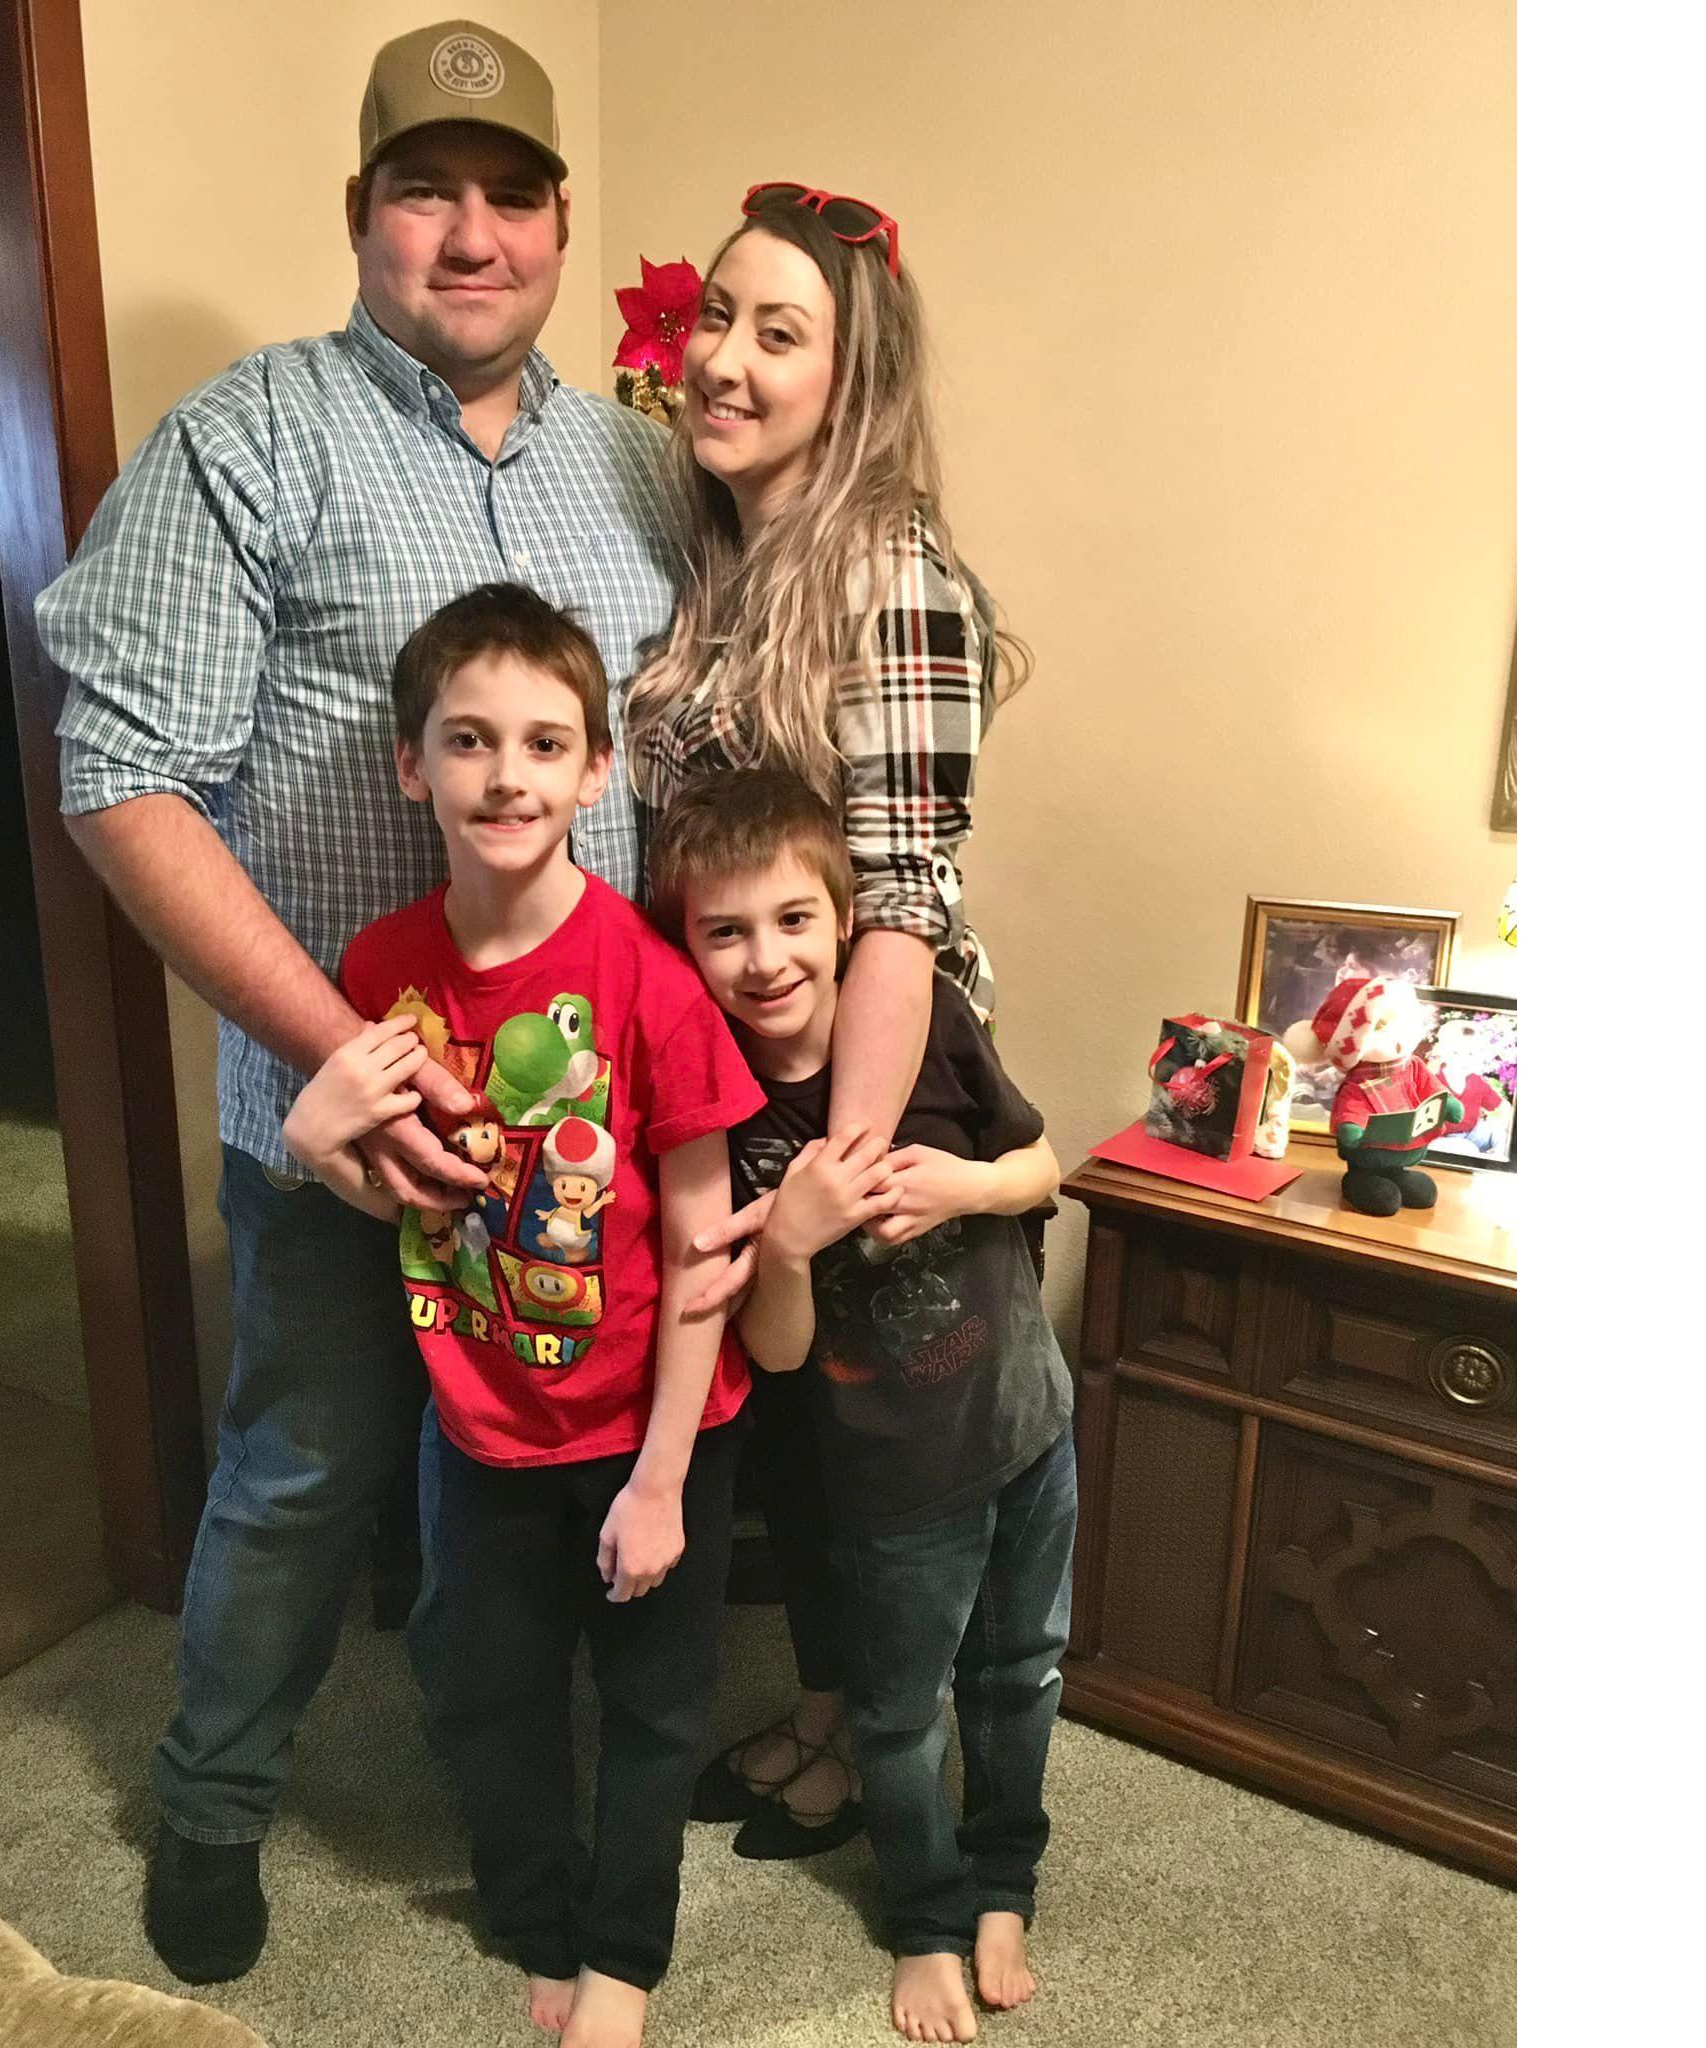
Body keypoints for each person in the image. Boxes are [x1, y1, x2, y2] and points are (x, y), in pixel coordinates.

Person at [33, 21, 680, 1983]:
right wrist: (347, 1058)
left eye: (508, 194)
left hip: (578, 1144)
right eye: (426, 190)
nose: (468, 234)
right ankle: (215, 1804)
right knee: (301, 1475)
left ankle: (543, 1821)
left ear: (558, 222)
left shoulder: (637, 465)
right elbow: (119, 773)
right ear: (362, 214)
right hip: (333, 1140)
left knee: (553, 1474)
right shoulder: (250, 436)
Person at [284, 584, 762, 2048]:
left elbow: (702, 1245)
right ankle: (537, 1918)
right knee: (482, 1695)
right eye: (472, 741)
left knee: (654, 1708)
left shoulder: (653, 986)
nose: (510, 775)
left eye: (546, 744)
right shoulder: (380, 974)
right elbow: (428, 1210)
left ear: (597, 772)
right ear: (412, 766)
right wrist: (321, 1157)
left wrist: (666, 1480)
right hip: (480, 1428)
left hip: (651, 1427)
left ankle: (623, 1954)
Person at [624, 183, 1031, 1857]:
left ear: (850, 377)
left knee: (871, 1456)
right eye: (715, 316)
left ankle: (884, 1743)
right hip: (749, 1070)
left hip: (864, 1076)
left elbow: (902, 894)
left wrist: (843, 1172)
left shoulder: (892, 576)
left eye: (775, 333)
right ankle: (814, 1713)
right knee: (792, 1436)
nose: (722, 357)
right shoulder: (726, 553)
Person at [648, 770, 1075, 2046]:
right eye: (724, 930)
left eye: (791, 919)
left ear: (843, 918)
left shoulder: (924, 1012)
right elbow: (772, 1356)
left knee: (1020, 1673)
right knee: (896, 1715)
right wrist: (787, 1243)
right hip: (889, 1481)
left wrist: (965, 1185)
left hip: (1025, 1425)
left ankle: (1004, 1880)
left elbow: (1041, 1163)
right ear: (688, 946)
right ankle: (927, 1915)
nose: (765, 957)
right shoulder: (720, 1102)